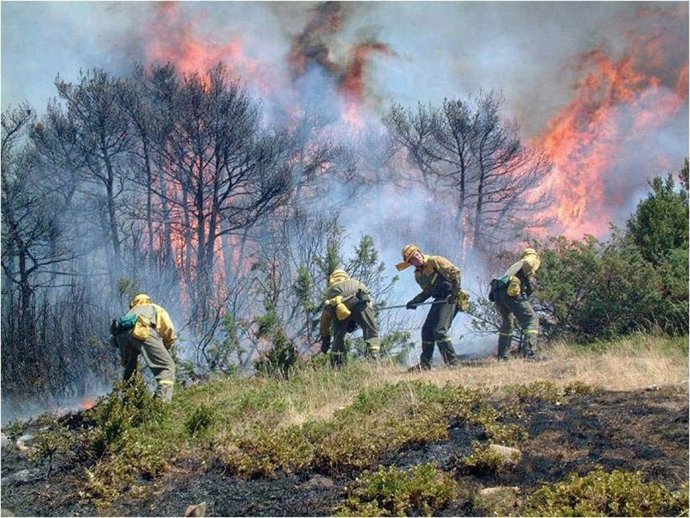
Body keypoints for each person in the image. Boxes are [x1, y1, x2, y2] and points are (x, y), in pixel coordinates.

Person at [396, 244, 462, 369]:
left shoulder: (435, 261)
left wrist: (454, 294)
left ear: (420, 253)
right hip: (439, 300)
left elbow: (456, 273)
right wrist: (415, 301)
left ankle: (453, 363)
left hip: (450, 298)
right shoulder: (418, 275)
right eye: (413, 258)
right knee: (427, 331)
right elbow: (428, 292)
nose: (417, 258)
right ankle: (425, 364)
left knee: (439, 330)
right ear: (410, 263)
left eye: (417, 255)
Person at [111, 293, 177, 402]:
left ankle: (127, 405)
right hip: (141, 331)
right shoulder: (154, 308)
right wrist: (167, 346)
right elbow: (168, 328)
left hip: (121, 337)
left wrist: (125, 358)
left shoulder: (130, 312)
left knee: (130, 373)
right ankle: (161, 404)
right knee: (167, 367)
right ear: (148, 300)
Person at [319, 269, 381, 368]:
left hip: (339, 306)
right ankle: (374, 362)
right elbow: (369, 305)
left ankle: (337, 366)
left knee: (338, 337)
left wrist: (326, 338)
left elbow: (325, 319)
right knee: (371, 333)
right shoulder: (356, 283)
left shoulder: (331, 290)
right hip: (360, 299)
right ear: (346, 276)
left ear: (332, 280)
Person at [489, 248, 541, 360]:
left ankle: (503, 356)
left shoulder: (515, 267)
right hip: (510, 293)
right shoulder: (529, 259)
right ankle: (531, 354)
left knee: (508, 323)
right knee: (531, 320)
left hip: (498, 294)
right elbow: (528, 262)